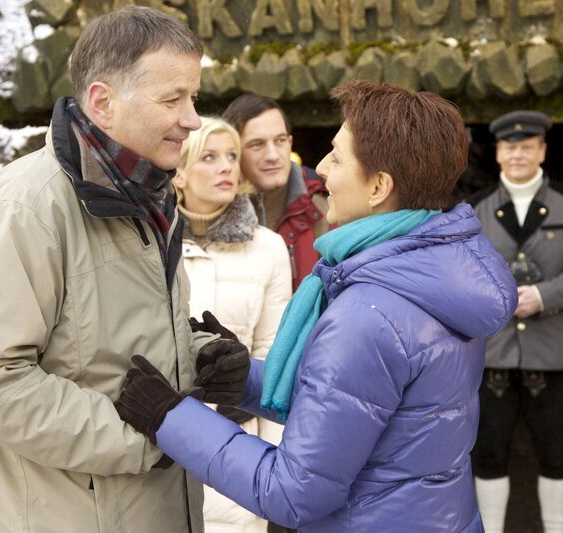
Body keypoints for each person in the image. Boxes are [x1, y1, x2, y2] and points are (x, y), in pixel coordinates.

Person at [114, 80, 519, 532]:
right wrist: (243, 378)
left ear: (379, 187)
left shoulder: (370, 314)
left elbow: (295, 492)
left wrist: (169, 417)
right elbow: (363, 411)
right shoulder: (433, 275)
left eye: (338, 156)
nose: (320, 166)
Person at [0, 7, 250, 532]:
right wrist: (149, 434)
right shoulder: (29, 207)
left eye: (193, 97)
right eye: (173, 99)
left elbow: (100, 347)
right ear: (103, 102)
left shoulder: (148, 192)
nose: (193, 119)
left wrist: (199, 356)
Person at [468, 110, 563, 533]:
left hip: (553, 350)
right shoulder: (475, 208)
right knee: (488, 450)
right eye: (510, 147)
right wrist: (499, 296)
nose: (518, 154)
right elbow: (463, 270)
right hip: (492, 350)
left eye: (527, 146)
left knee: (555, 449)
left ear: (542, 149)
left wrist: (543, 296)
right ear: (498, 153)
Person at [173, 116, 292, 532]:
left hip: (236, 444)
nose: (227, 167)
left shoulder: (268, 248)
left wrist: (275, 457)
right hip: (162, 434)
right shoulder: (148, 242)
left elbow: (273, 351)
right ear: (179, 173)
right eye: (210, 157)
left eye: (232, 157)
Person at [222, 93, 329, 290]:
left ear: (290, 142)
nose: (272, 155)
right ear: (232, 151)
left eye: (280, 141)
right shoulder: (212, 207)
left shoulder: (325, 204)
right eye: (257, 144)